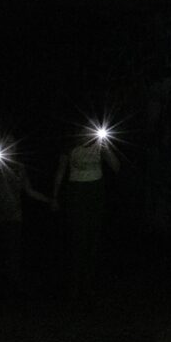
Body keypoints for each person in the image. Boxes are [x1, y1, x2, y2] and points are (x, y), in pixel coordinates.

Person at [52, 128, 120, 300]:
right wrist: (55, 196)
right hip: (76, 192)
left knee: (93, 238)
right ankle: (73, 285)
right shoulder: (70, 147)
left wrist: (107, 147)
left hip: (95, 192)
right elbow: (61, 171)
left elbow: (116, 166)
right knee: (77, 238)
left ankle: (88, 284)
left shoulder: (100, 145)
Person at [0, 138, 50, 295]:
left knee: (13, 254)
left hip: (14, 216)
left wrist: (49, 200)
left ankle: (13, 290)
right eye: (6, 146)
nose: (9, 149)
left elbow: (29, 190)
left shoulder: (20, 167)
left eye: (12, 146)